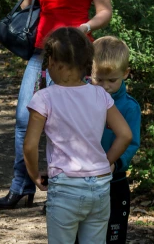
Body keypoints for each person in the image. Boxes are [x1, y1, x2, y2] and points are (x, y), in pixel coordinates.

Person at [0, 0, 113, 209]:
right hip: (41, 52)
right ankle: (22, 186)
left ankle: (65, 187)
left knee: (71, 123)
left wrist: (84, 26)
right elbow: (25, 9)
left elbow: (105, 13)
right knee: (24, 119)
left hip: (75, 55)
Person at [23, 27, 132, 243]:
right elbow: (125, 135)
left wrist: (35, 175)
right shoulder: (100, 94)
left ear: (53, 62)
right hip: (101, 187)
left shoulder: (44, 98)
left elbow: (29, 146)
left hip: (65, 188)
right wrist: (105, 161)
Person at [80, 36, 141, 244]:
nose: (104, 86)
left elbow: (132, 143)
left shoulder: (129, 107)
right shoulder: (81, 99)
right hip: (82, 181)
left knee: (113, 236)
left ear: (125, 74)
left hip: (114, 182)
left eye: (112, 80)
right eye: (98, 79)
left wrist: (117, 163)